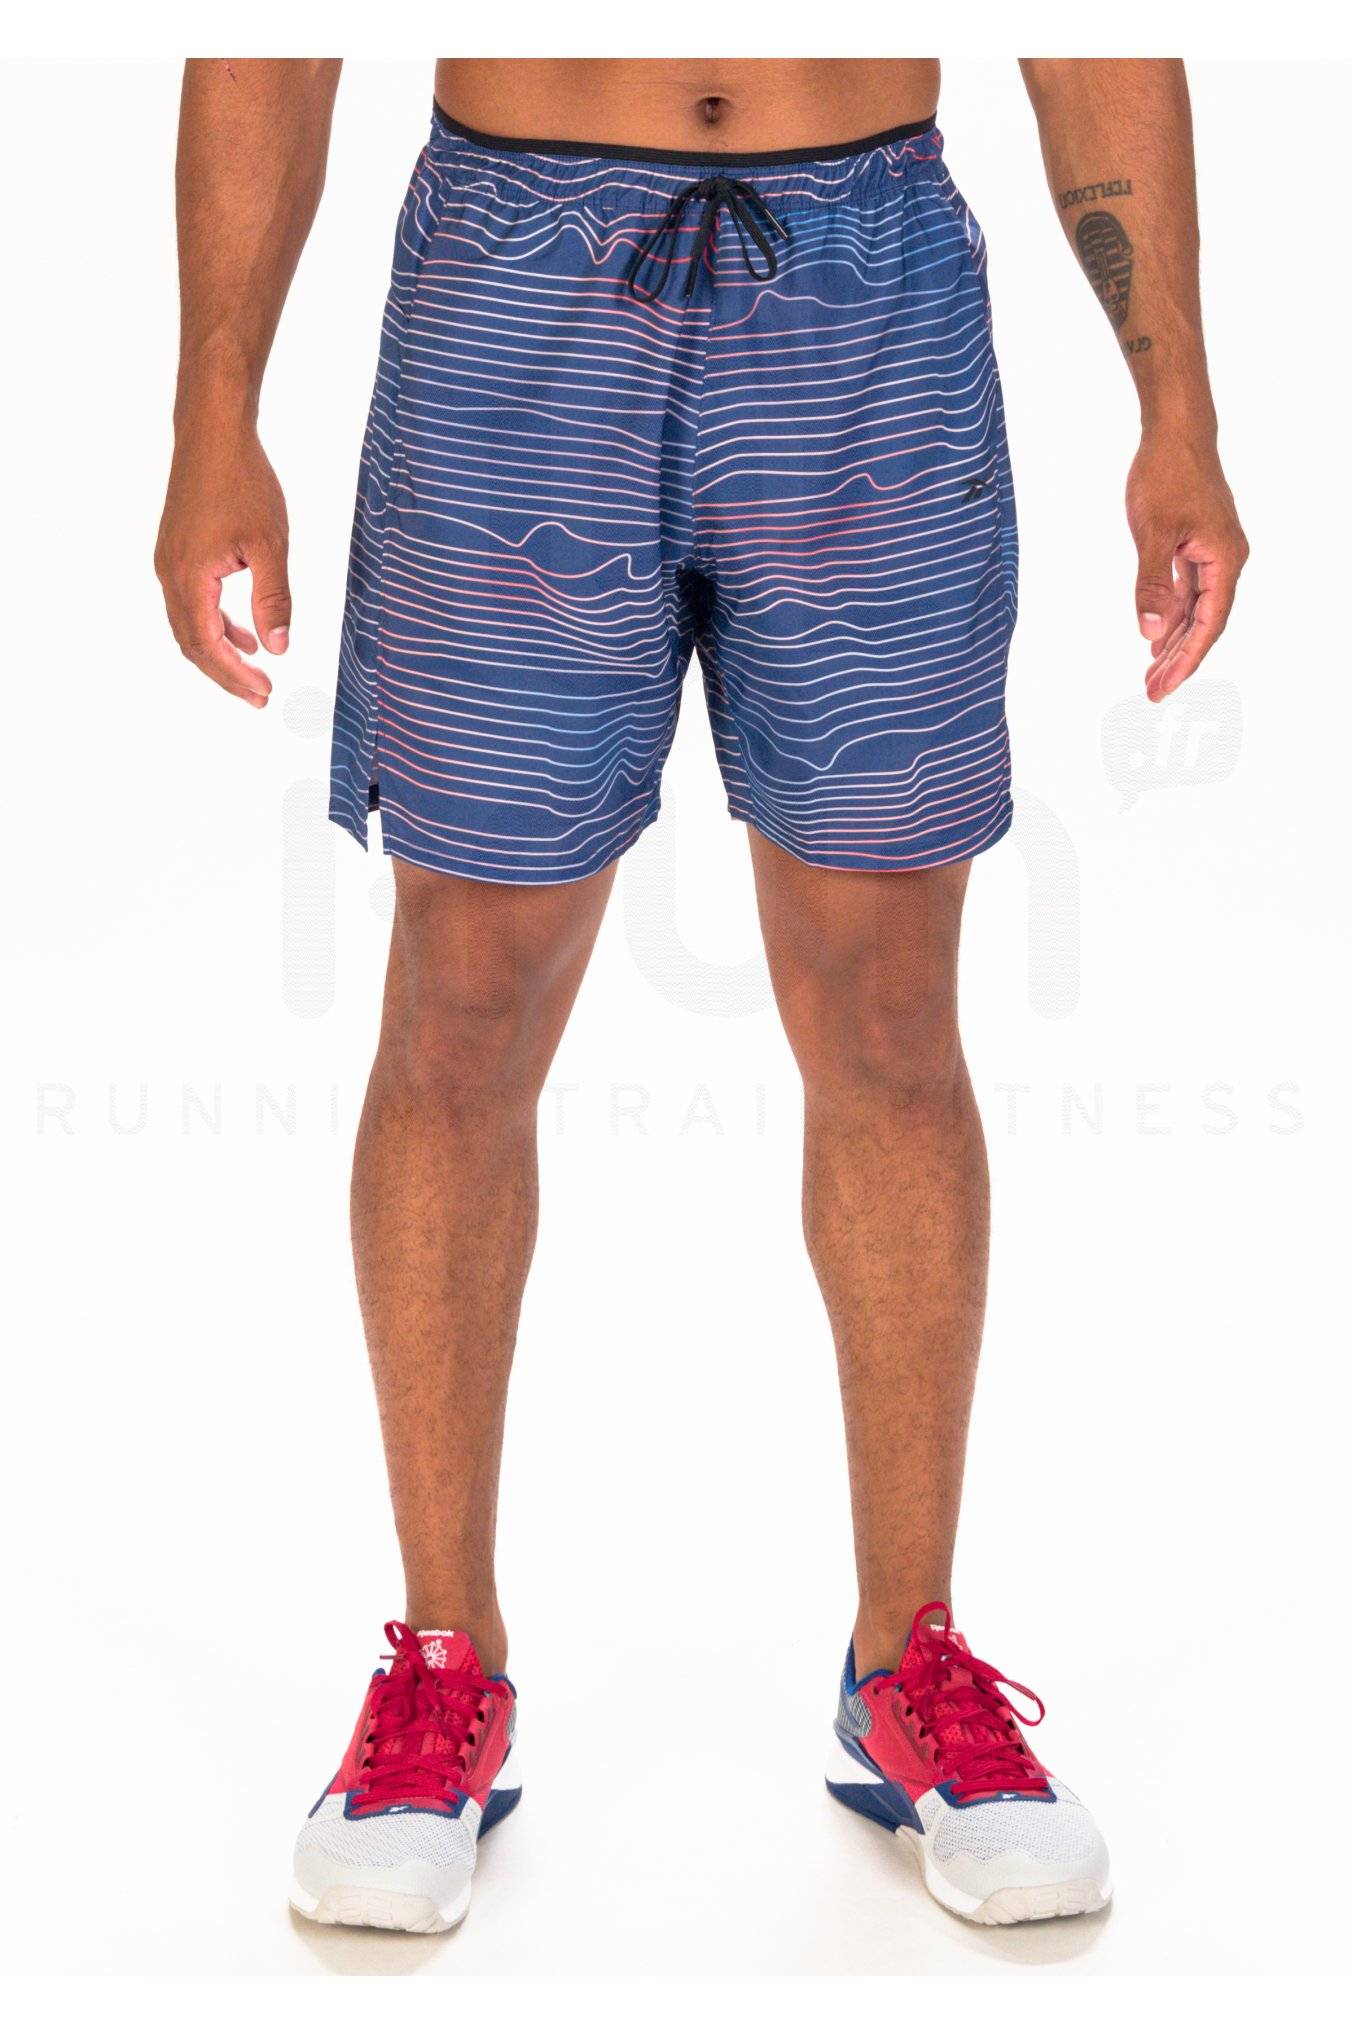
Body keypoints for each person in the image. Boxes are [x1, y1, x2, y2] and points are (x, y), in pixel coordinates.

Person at [156, 58, 1247, 1934]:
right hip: (515, 299)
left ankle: (907, 1662)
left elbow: (1093, 39)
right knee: (461, 1006)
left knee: (891, 1018)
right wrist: (211, 412)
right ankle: (443, 1667)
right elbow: (265, 38)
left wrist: (1179, 408)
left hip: (870, 296)